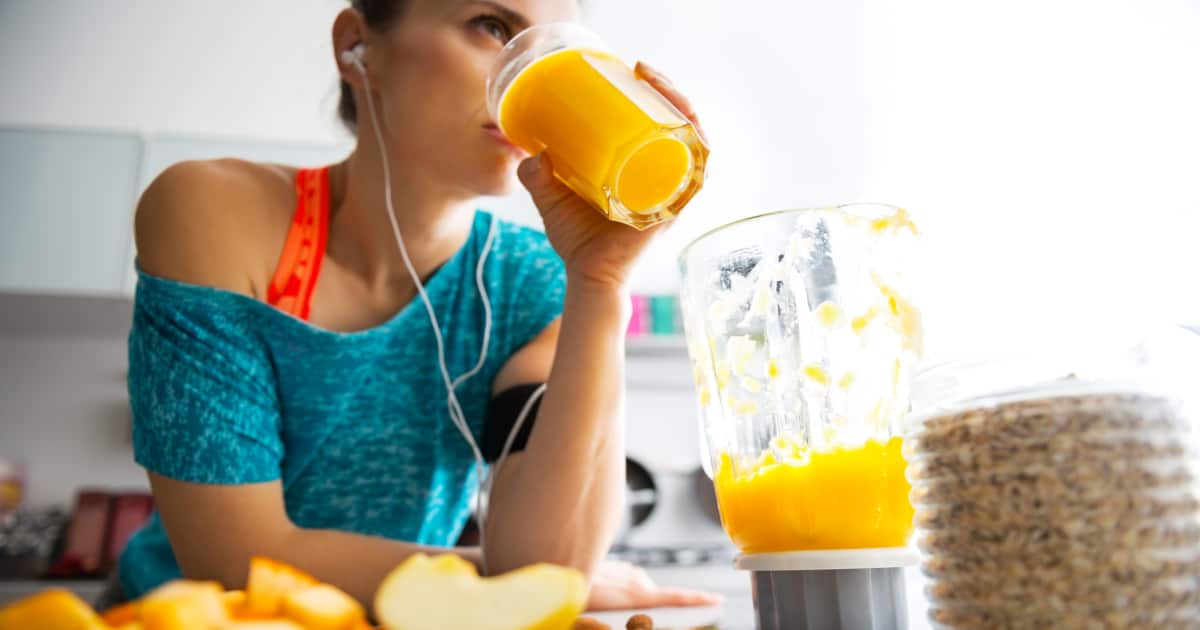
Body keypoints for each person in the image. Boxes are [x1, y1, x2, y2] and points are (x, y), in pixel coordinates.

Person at [115, 0, 719, 612]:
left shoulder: (535, 279)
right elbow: (232, 559)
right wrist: (494, 578)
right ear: (357, 45)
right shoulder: (214, 211)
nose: (530, 72)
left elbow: (544, 564)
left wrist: (601, 281)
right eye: (492, 27)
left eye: (555, 49)